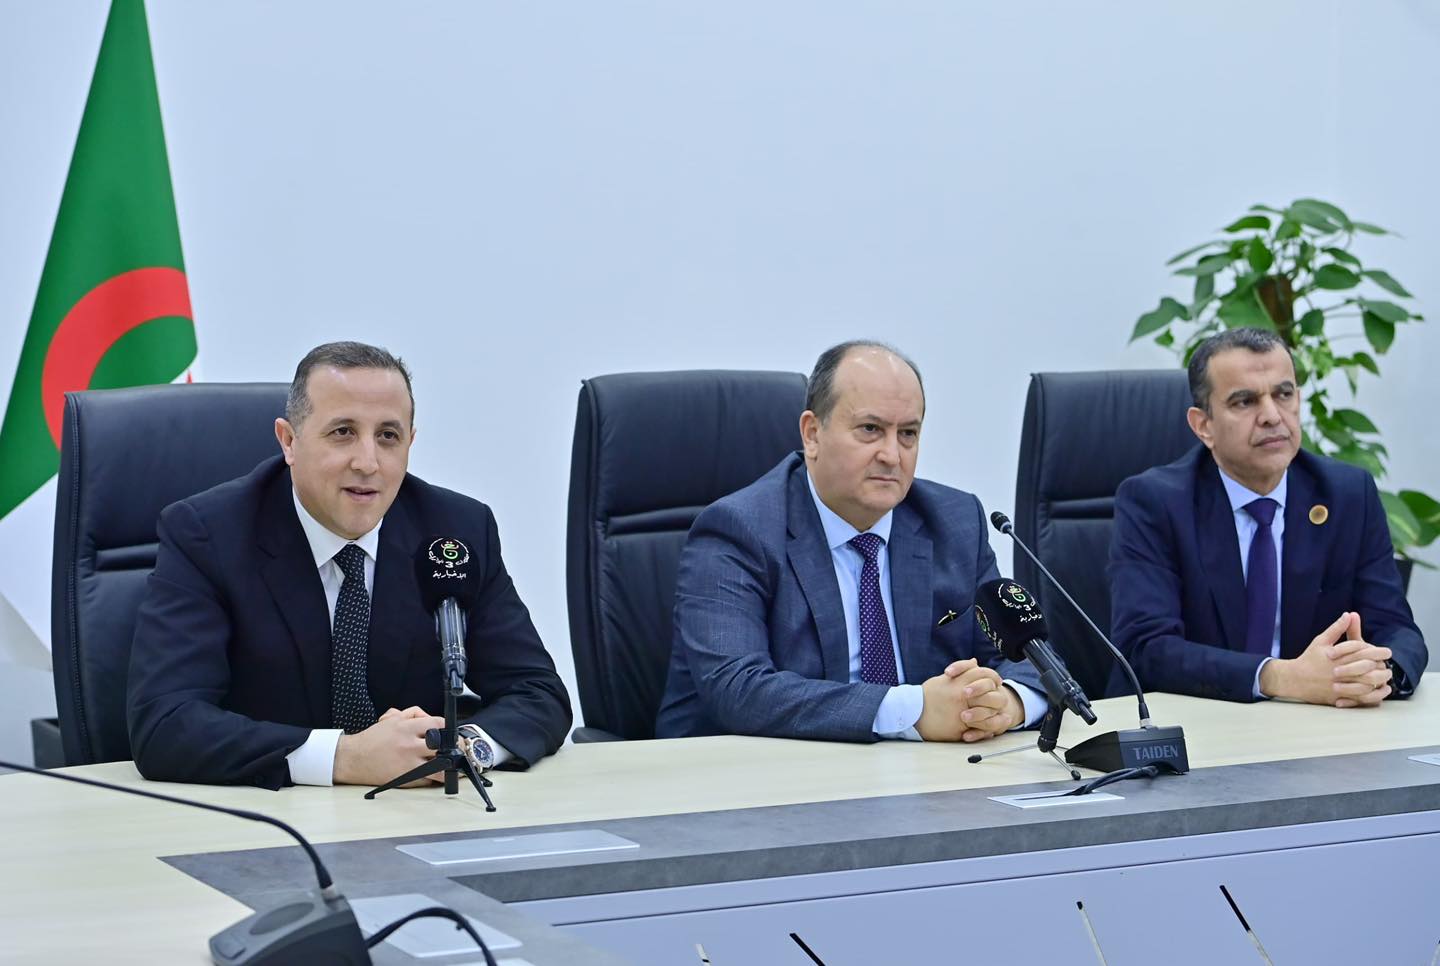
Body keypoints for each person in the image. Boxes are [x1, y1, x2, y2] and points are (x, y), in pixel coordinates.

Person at [128, 342, 571, 788]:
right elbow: (165, 724)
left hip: (416, 810)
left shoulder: (455, 531)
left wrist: (458, 749)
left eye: (388, 436)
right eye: (343, 432)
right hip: (265, 811)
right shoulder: (207, 534)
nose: (367, 463)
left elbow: (538, 693)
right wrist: (345, 758)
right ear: (289, 441)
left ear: (410, 443)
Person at [655, 341, 1051, 743]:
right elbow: (738, 688)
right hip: (759, 770)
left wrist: (1006, 703)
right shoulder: (739, 530)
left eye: (908, 433)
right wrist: (911, 710)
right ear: (812, 434)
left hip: (923, 771)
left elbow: (1032, 657)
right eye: (870, 429)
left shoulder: (955, 522)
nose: (892, 455)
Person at [1108, 327, 1425, 705]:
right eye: (1245, 402)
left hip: (1314, 722)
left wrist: (1377, 672)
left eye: (1283, 394)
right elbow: (1146, 648)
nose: (1272, 416)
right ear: (1203, 425)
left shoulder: (1347, 494)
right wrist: (1279, 677)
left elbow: (1396, 628)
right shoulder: (1155, 502)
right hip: (1195, 720)